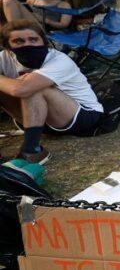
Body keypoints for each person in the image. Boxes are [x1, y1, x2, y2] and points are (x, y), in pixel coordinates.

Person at [0, 20, 105, 163]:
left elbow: (22, 89)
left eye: (33, 39)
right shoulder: (6, 57)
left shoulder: (59, 60)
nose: (27, 44)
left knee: (34, 88)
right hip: (37, 121)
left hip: (81, 115)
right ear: (7, 47)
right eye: (18, 41)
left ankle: (32, 150)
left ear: (43, 41)